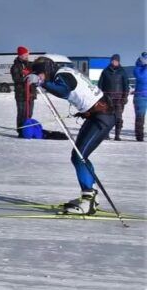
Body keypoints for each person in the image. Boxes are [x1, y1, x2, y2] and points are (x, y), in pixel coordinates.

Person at [27, 56, 114, 215]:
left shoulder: (62, 75)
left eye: (39, 73)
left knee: (79, 156)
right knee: (80, 156)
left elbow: (64, 90)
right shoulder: (64, 73)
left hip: (102, 117)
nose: (38, 76)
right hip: (97, 115)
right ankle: (91, 196)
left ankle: (88, 200)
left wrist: (42, 83)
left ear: (46, 70)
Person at [97, 54, 129, 141]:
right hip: (107, 99)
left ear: (119, 62)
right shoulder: (105, 72)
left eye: (116, 61)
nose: (114, 62)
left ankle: (117, 135)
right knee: (107, 117)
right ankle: (106, 134)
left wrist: (125, 96)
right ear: (111, 61)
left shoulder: (122, 72)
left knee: (118, 117)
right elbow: (100, 85)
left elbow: (126, 85)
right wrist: (100, 96)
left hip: (119, 99)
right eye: (113, 60)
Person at [10, 46, 36, 138]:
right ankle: (21, 131)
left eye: (27, 54)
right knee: (22, 113)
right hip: (21, 94)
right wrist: (25, 78)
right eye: (25, 55)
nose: (27, 56)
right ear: (20, 55)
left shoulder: (29, 65)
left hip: (31, 93)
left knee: (29, 113)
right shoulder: (15, 66)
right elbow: (16, 79)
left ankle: (27, 130)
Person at [133, 52, 147, 142]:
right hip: (140, 96)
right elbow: (142, 78)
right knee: (140, 117)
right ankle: (139, 136)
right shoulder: (137, 68)